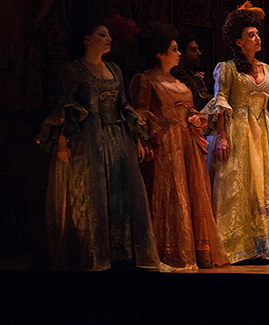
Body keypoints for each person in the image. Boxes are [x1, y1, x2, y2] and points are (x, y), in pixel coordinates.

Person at [41, 18, 163, 271]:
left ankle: (124, 255)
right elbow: (64, 104)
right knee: (93, 193)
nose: (109, 39)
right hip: (89, 138)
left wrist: (137, 137)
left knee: (122, 193)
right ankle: (95, 255)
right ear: (87, 40)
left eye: (108, 35)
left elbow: (124, 104)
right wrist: (62, 140)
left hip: (117, 137)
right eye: (102, 35)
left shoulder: (114, 69)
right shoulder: (74, 69)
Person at [202, 3, 269, 263]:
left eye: (258, 34)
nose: (257, 38)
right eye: (251, 35)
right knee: (240, 183)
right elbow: (221, 103)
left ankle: (267, 245)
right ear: (239, 41)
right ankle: (238, 246)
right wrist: (222, 137)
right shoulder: (227, 69)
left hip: (265, 132)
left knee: (268, 185)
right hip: (238, 130)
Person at [133, 21, 226, 269]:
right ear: (159, 53)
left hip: (186, 146)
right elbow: (140, 116)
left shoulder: (179, 81)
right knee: (169, 197)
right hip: (165, 147)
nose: (178, 54)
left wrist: (195, 118)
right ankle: (168, 254)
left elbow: (190, 110)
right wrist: (146, 140)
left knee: (191, 196)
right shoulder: (145, 80)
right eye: (174, 49)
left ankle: (194, 252)